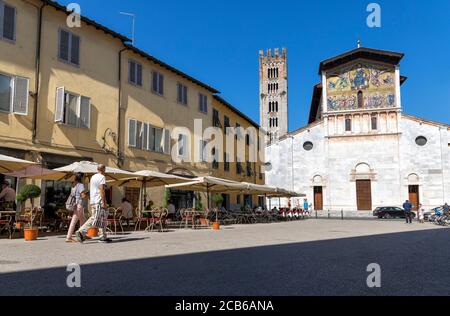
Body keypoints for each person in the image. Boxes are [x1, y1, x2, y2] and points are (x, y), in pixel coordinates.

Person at [76, 164, 112, 243]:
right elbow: (102, 190)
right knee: (95, 218)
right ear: (103, 169)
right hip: (98, 201)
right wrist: (104, 202)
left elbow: (91, 190)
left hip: (93, 201)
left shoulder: (93, 177)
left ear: (97, 169)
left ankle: (103, 236)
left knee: (101, 218)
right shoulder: (102, 177)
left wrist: (91, 199)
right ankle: (81, 231)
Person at [65, 173, 86, 243]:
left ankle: (82, 235)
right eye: (84, 176)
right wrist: (88, 194)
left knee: (83, 220)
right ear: (81, 177)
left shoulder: (74, 185)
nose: (85, 178)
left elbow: (75, 195)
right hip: (79, 205)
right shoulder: (81, 185)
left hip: (76, 204)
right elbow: (83, 196)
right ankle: (68, 237)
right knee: (74, 221)